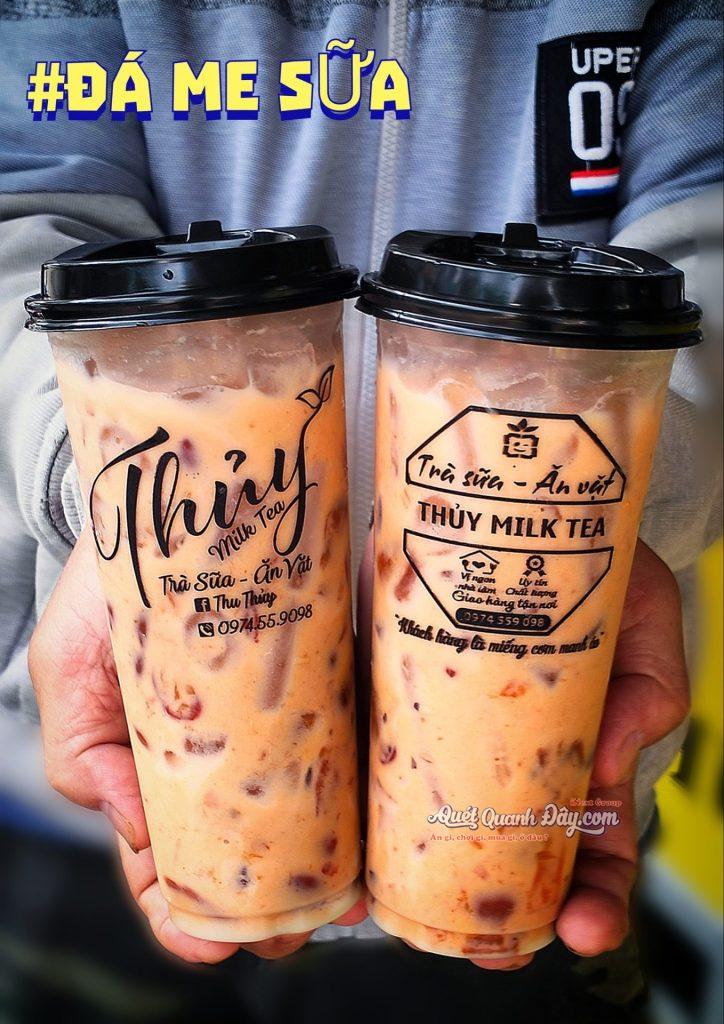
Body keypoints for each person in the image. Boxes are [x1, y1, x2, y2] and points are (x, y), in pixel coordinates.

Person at [1, 0, 722, 1018]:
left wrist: (626, 507)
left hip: (540, 796)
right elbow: (27, 201)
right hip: (131, 778)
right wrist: (109, 511)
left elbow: (707, 221)